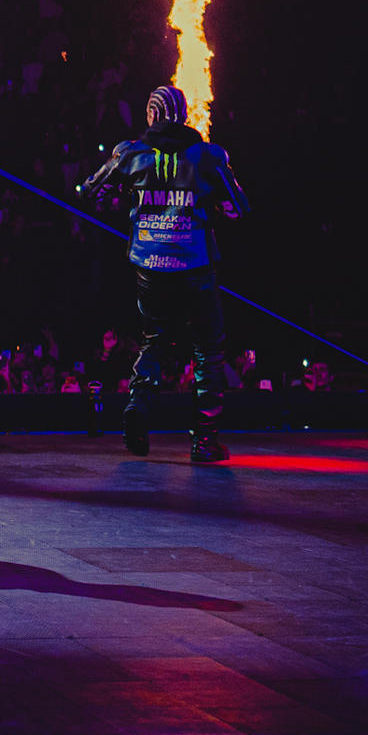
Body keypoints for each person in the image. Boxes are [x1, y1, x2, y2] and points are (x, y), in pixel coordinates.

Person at [77, 84, 250, 463]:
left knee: (154, 341)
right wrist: (213, 201)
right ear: (184, 116)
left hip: (150, 267)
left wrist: (127, 196)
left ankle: (138, 407)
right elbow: (239, 207)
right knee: (207, 350)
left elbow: (90, 192)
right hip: (195, 267)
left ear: (151, 116)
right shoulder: (207, 156)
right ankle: (204, 441)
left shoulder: (130, 154)